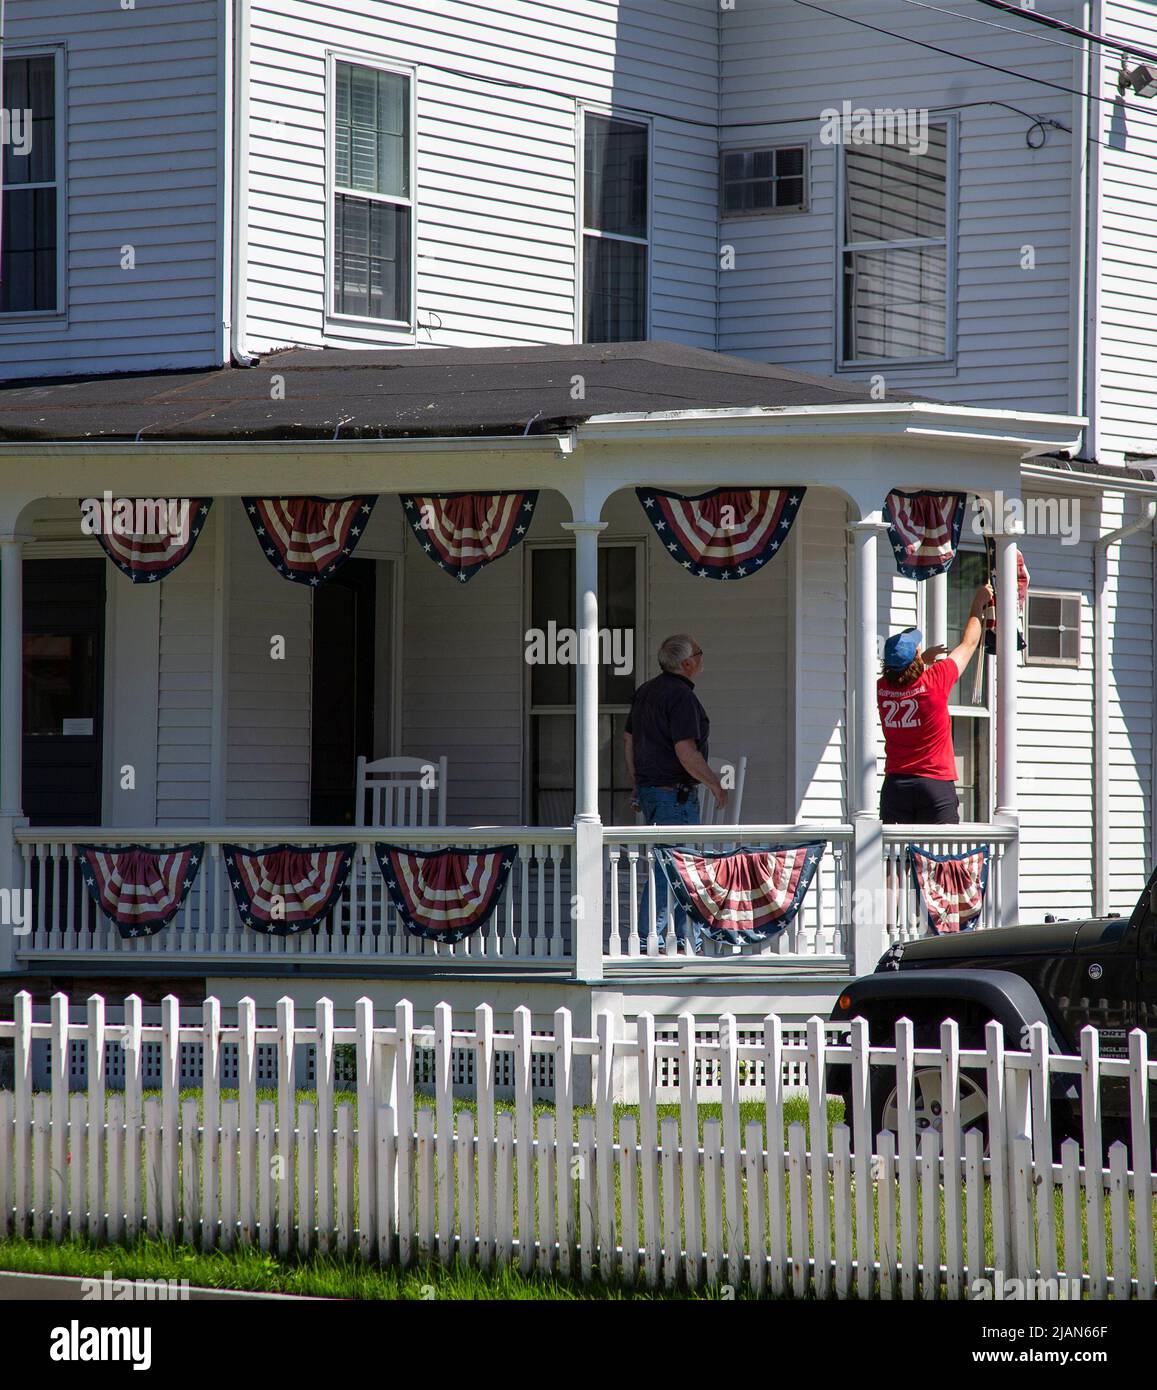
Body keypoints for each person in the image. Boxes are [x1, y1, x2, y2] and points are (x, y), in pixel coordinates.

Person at [624, 634, 727, 954]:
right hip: (675, 796)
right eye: (699, 653)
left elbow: (628, 742)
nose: (701, 657)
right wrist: (714, 784)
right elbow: (686, 751)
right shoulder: (681, 697)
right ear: (686, 663)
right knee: (675, 867)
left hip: (653, 792)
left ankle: (685, 940)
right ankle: (647, 941)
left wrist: (638, 783)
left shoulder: (646, 691)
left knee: (673, 866)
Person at [878, 583, 993, 825]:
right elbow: (969, 643)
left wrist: (920, 659)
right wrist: (977, 604)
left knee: (896, 860)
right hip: (934, 785)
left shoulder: (882, 689)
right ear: (915, 659)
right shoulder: (935, 681)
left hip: (896, 787)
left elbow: (902, 679)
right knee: (941, 859)